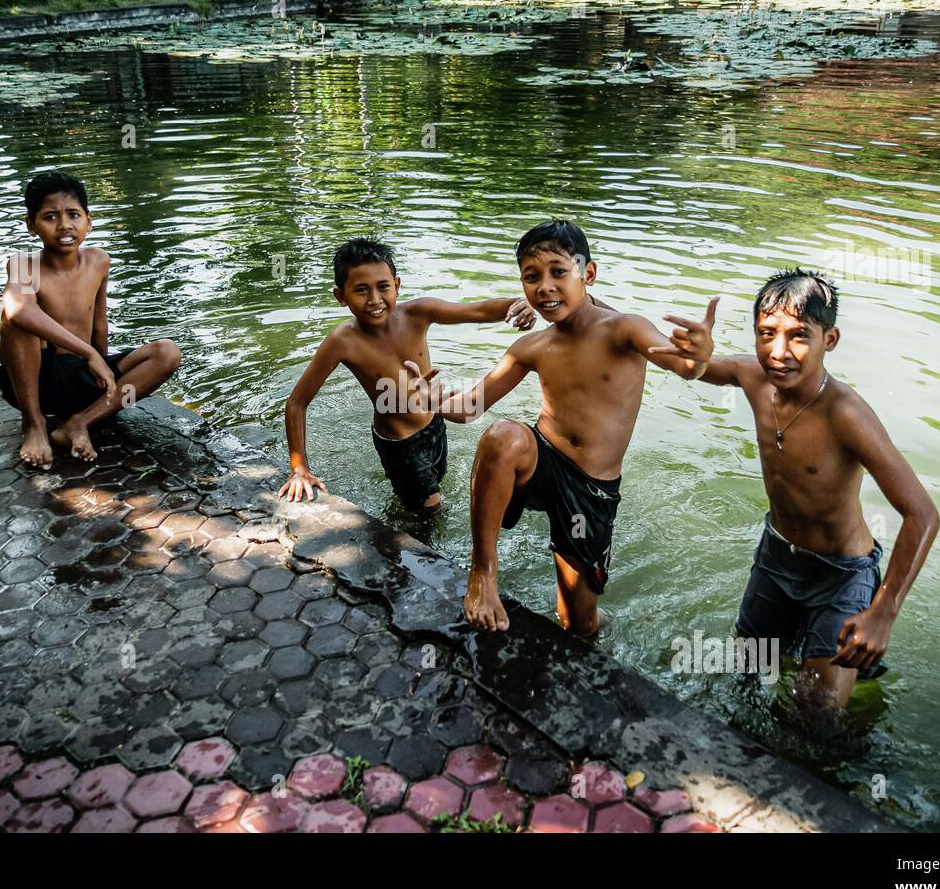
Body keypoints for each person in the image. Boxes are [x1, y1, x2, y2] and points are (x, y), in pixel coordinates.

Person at [425, 220, 719, 635]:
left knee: (577, 622)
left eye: (558, 272)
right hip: (542, 463)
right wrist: (433, 404)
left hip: (591, 488)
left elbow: (683, 365)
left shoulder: (624, 329)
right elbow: (472, 406)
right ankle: (483, 574)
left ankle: (602, 628)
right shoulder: (533, 346)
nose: (544, 287)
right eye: (531, 277)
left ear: (588, 273)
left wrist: (700, 355)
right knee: (502, 436)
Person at [699, 268, 939, 712]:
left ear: (830, 339)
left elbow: (922, 514)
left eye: (799, 336)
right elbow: (681, 362)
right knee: (743, 678)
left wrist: (883, 612)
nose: (779, 352)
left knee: (817, 712)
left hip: (841, 576)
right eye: (767, 333)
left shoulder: (845, 414)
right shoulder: (752, 378)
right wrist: (590, 305)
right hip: (776, 559)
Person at [280, 237, 535, 512]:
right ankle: (399, 544)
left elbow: (477, 309)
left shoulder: (418, 313)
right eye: (361, 290)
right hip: (399, 445)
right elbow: (297, 402)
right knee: (429, 512)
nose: (375, 300)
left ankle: (400, 521)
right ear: (341, 296)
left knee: (427, 496)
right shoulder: (343, 341)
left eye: (383, 287)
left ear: (397, 286)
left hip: (436, 422)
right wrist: (299, 468)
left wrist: (520, 303)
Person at [0, 170, 181, 468]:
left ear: (89, 221)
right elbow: (19, 310)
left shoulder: (99, 260)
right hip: (43, 383)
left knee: (167, 352)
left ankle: (80, 422)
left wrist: (102, 367)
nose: (65, 225)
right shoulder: (23, 265)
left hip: (84, 379)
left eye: (73, 215)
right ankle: (34, 425)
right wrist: (89, 353)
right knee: (16, 321)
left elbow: (99, 322)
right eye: (50, 217)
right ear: (32, 225)